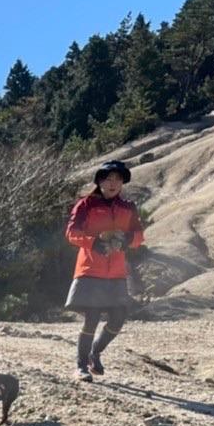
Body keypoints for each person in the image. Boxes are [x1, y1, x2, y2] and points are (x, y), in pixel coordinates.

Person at [64, 160, 145, 381]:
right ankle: (80, 367)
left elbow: (139, 236)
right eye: (109, 179)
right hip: (90, 268)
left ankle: (95, 353)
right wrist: (92, 243)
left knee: (119, 318)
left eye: (118, 180)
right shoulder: (86, 205)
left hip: (117, 272)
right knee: (91, 317)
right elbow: (71, 233)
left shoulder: (128, 207)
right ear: (100, 180)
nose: (113, 184)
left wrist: (129, 239)